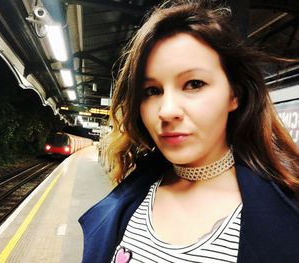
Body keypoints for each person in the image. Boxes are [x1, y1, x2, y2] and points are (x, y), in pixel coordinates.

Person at [79, 1, 299, 262]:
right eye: (152, 91)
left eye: (194, 84)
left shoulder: (287, 215)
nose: (167, 110)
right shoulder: (130, 198)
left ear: (234, 95)